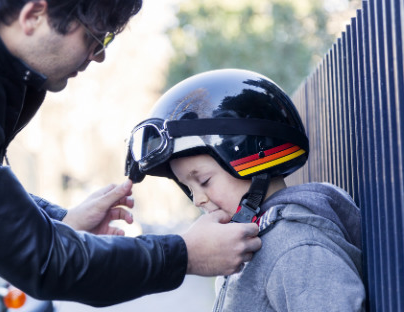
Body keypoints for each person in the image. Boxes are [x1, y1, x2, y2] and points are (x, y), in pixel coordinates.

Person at [0, 0, 262, 307]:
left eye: (108, 40)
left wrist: (59, 220)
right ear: (34, 16)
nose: (99, 55)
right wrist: (186, 255)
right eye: (94, 37)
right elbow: (45, 262)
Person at [125, 69, 366, 311]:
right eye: (188, 187)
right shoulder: (244, 241)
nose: (198, 199)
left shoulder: (298, 250)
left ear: (254, 154)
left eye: (205, 180)